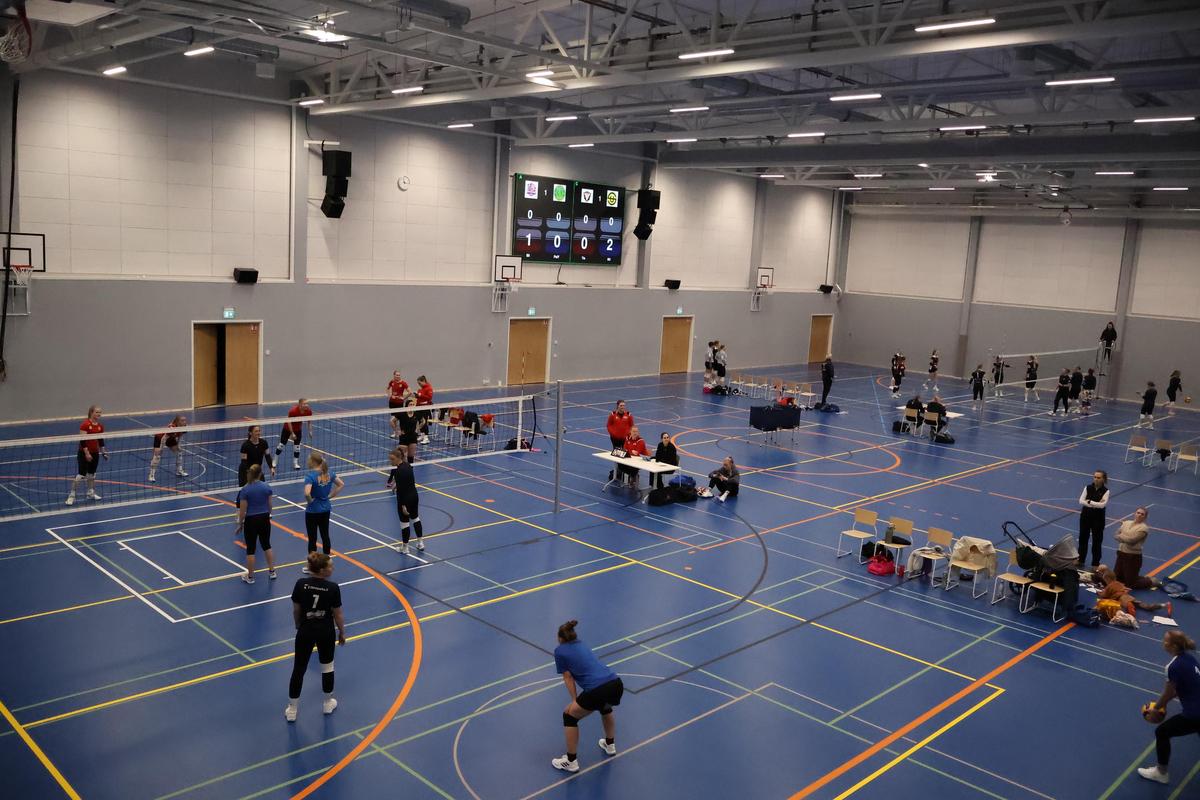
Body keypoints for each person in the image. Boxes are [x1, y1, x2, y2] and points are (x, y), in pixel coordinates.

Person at [551, 620, 623, 773]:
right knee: (605, 707)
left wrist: (574, 700)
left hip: (598, 689)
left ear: (560, 638)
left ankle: (571, 761)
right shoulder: (581, 644)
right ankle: (610, 744)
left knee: (569, 716)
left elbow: (568, 677)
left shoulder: (560, 651)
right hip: (615, 683)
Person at [286, 552, 345, 722]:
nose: (332, 568)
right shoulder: (333, 588)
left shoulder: (300, 584)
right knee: (327, 667)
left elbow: (296, 610)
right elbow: (338, 614)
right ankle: (327, 703)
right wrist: (342, 632)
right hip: (325, 632)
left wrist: (298, 624)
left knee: (299, 668)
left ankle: (292, 709)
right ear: (322, 570)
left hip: (305, 631)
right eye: (330, 566)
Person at [1138, 631, 1200, 786]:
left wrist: (1156, 708)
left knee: (1162, 732)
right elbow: (1184, 686)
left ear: (1173, 646)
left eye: (1166, 641)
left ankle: (1161, 773)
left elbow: (1168, 693)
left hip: (1195, 714)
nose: (1163, 643)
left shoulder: (1172, 667)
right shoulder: (1190, 659)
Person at [236, 464, 276, 583]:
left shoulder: (245, 489)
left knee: (251, 549)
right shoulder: (266, 487)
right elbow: (270, 505)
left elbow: (242, 511)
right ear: (260, 474)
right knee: (266, 545)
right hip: (264, 518)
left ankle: (250, 577)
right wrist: (267, 515)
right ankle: (272, 572)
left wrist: (240, 524)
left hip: (251, 520)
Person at [303, 453, 344, 567]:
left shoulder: (310, 476)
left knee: (312, 539)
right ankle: (327, 562)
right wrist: (330, 496)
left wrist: (310, 501)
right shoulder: (329, 473)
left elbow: (307, 493)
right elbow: (341, 484)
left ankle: (312, 565)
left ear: (313, 462)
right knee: (325, 535)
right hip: (326, 509)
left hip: (312, 511)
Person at [66, 405, 108, 506]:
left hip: (95, 453)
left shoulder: (100, 426)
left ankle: (90, 493)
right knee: (81, 475)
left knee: (91, 475)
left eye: (100, 412)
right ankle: (71, 496)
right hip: (84, 453)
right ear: (91, 412)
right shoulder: (85, 424)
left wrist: (103, 452)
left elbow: (101, 440)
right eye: (97, 412)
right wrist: (87, 453)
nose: (99, 414)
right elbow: (83, 441)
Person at [386, 448, 424, 555]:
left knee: (404, 523)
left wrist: (403, 505)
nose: (391, 461)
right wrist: (395, 485)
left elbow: (402, 490)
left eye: (392, 459)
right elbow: (406, 481)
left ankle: (405, 548)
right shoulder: (408, 466)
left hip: (405, 499)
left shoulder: (398, 472)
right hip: (414, 496)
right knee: (415, 518)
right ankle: (420, 543)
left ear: (399, 458)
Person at [1095, 565, 1170, 614]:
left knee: (1125, 608)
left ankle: (1130, 609)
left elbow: (1104, 595)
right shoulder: (1118, 583)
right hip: (1129, 597)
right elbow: (1124, 588)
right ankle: (1164, 605)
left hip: (1123, 599)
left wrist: (1098, 592)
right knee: (1147, 606)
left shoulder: (1109, 586)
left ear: (1107, 579)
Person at [1077, 470, 1109, 568]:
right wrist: (1095, 504)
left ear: (1103, 479)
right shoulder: (1087, 487)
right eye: (1094, 477)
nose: (1096, 479)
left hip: (1098, 519)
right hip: (1085, 517)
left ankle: (1095, 563)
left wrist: (1089, 502)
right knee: (1083, 539)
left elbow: (1102, 505)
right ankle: (1080, 559)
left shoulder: (1106, 491)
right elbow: (1081, 501)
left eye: (1098, 478)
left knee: (1097, 541)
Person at [148, 414, 188, 484]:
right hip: (160, 438)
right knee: (157, 456)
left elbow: (180, 435)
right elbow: (164, 439)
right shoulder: (172, 427)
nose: (184, 422)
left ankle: (179, 470)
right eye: (182, 420)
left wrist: (178, 445)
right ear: (177, 421)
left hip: (171, 439)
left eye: (185, 420)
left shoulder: (185, 426)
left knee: (179, 452)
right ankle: (151, 475)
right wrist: (161, 448)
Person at [276, 398, 312, 470]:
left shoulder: (308, 411)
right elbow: (289, 422)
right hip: (287, 428)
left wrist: (310, 431)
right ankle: (275, 459)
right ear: (300, 404)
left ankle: (295, 463)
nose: (306, 405)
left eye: (307, 403)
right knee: (281, 445)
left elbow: (309, 421)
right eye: (304, 404)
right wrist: (292, 433)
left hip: (298, 429)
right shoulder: (293, 411)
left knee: (297, 446)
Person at [605, 400, 634, 481]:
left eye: (623, 405)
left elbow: (631, 426)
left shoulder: (628, 415)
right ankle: (617, 471)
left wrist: (629, 434)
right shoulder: (612, 414)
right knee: (618, 455)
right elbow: (608, 425)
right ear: (617, 406)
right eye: (621, 405)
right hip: (615, 439)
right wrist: (612, 433)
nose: (622, 407)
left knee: (625, 454)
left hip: (625, 439)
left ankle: (622, 471)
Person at [387, 371, 410, 438]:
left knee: (398, 418)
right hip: (392, 403)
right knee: (393, 418)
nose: (398, 376)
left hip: (399, 403)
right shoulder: (392, 382)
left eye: (399, 375)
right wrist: (390, 396)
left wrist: (404, 398)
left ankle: (400, 432)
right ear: (394, 375)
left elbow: (410, 392)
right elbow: (388, 388)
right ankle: (395, 432)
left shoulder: (403, 383)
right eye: (397, 375)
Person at [415, 376, 434, 444]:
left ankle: (426, 438)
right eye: (418, 383)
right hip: (418, 407)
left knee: (424, 422)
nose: (419, 385)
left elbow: (429, 398)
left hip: (425, 408)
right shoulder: (421, 389)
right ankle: (422, 434)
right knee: (420, 421)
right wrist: (416, 396)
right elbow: (420, 397)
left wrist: (420, 395)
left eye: (420, 383)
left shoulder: (429, 388)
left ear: (423, 381)